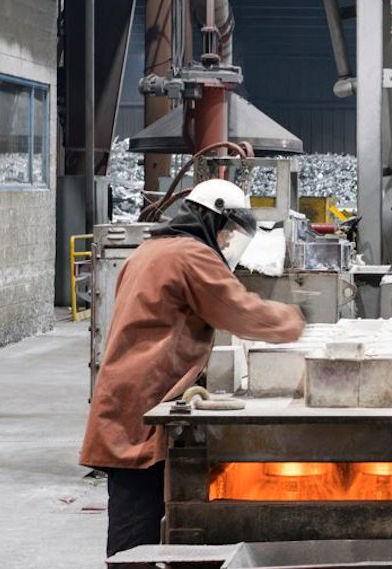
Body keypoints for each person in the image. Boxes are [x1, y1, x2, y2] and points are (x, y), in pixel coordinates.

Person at [79, 179, 305, 559]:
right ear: (209, 219)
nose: (228, 244)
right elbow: (238, 309)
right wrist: (297, 322)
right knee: (138, 537)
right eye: (229, 233)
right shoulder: (191, 255)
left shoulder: (150, 251)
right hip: (145, 403)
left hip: (127, 398)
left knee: (138, 522)